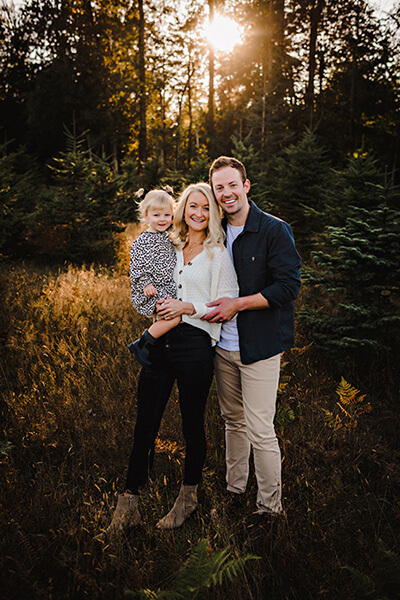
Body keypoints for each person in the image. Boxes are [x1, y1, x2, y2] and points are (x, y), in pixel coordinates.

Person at [108, 182, 238, 533]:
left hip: (196, 346)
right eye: (192, 206)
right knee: (144, 424)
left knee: (191, 425)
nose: (198, 213)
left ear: (213, 213)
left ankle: (187, 500)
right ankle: (128, 503)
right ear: (183, 209)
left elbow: (226, 303)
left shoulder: (218, 253)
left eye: (205, 208)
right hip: (160, 345)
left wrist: (189, 307)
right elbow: (146, 278)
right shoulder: (169, 243)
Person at [203, 156, 301, 518]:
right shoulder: (212, 233)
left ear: (246, 186)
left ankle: (270, 510)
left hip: (258, 347)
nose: (226, 193)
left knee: (261, 428)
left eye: (232, 185)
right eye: (219, 188)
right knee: (233, 421)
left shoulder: (274, 230)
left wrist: (238, 305)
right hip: (221, 347)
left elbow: (288, 287)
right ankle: (235, 489)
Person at [128, 188, 180, 366]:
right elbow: (137, 265)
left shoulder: (167, 237)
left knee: (167, 319)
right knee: (174, 317)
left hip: (166, 287)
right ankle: (142, 344)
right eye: (157, 215)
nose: (163, 219)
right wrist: (146, 284)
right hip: (152, 289)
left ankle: (154, 348)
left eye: (167, 215)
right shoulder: (143, 240)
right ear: (146, 215)